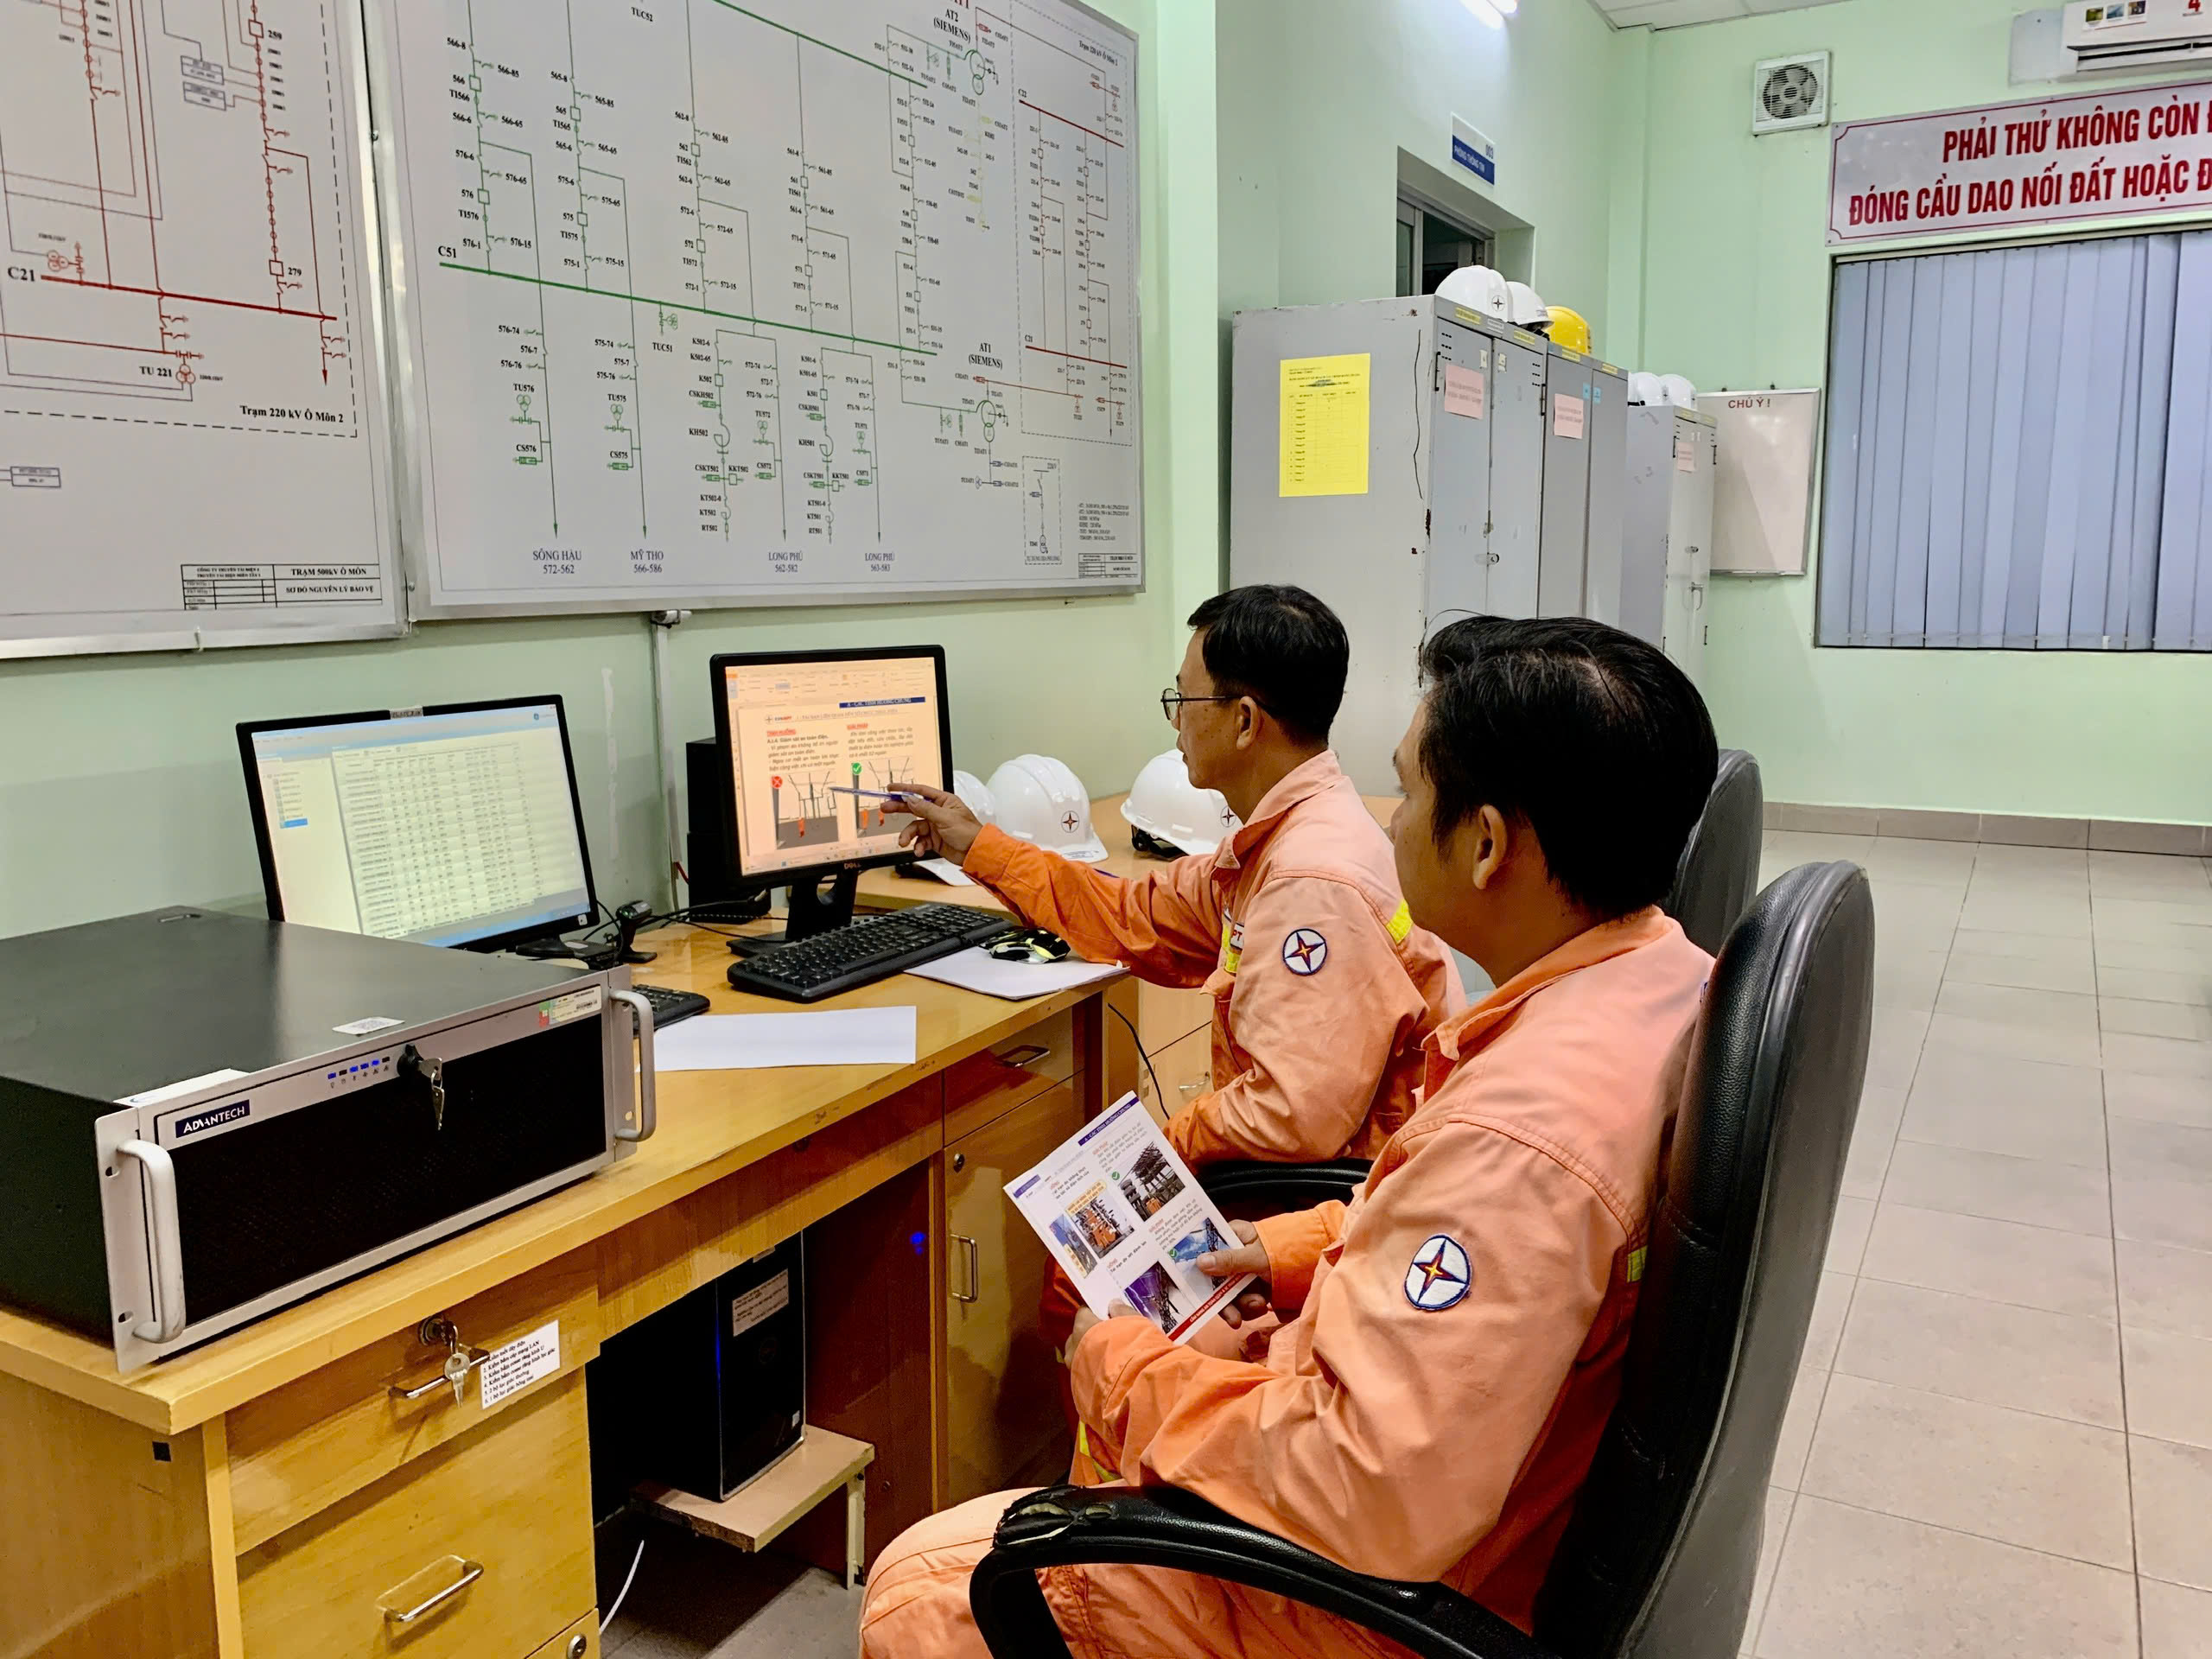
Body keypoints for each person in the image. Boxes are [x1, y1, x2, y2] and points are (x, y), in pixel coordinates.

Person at [858, 615, 1721, 1659]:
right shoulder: (1662, 976)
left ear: (1488, 844)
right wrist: (1288, 1252)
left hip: (1388, 1593)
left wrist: (1122, 1368)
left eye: (1410, 791)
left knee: (920, 1589)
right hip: (1454, 1447)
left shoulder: (1512, 1134)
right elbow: (1138, 914)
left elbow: (1367, 1487)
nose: (1391, 821)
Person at [890, 585, 1459, 1169]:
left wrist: (1154, 1152)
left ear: (1245, 721)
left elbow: (1291, 1116)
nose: (1176, 721)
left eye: (1184, 699)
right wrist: (978, 847)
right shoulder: (1289, 836)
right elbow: (1131, 913)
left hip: (1337, 1194)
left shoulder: (1310, 881)